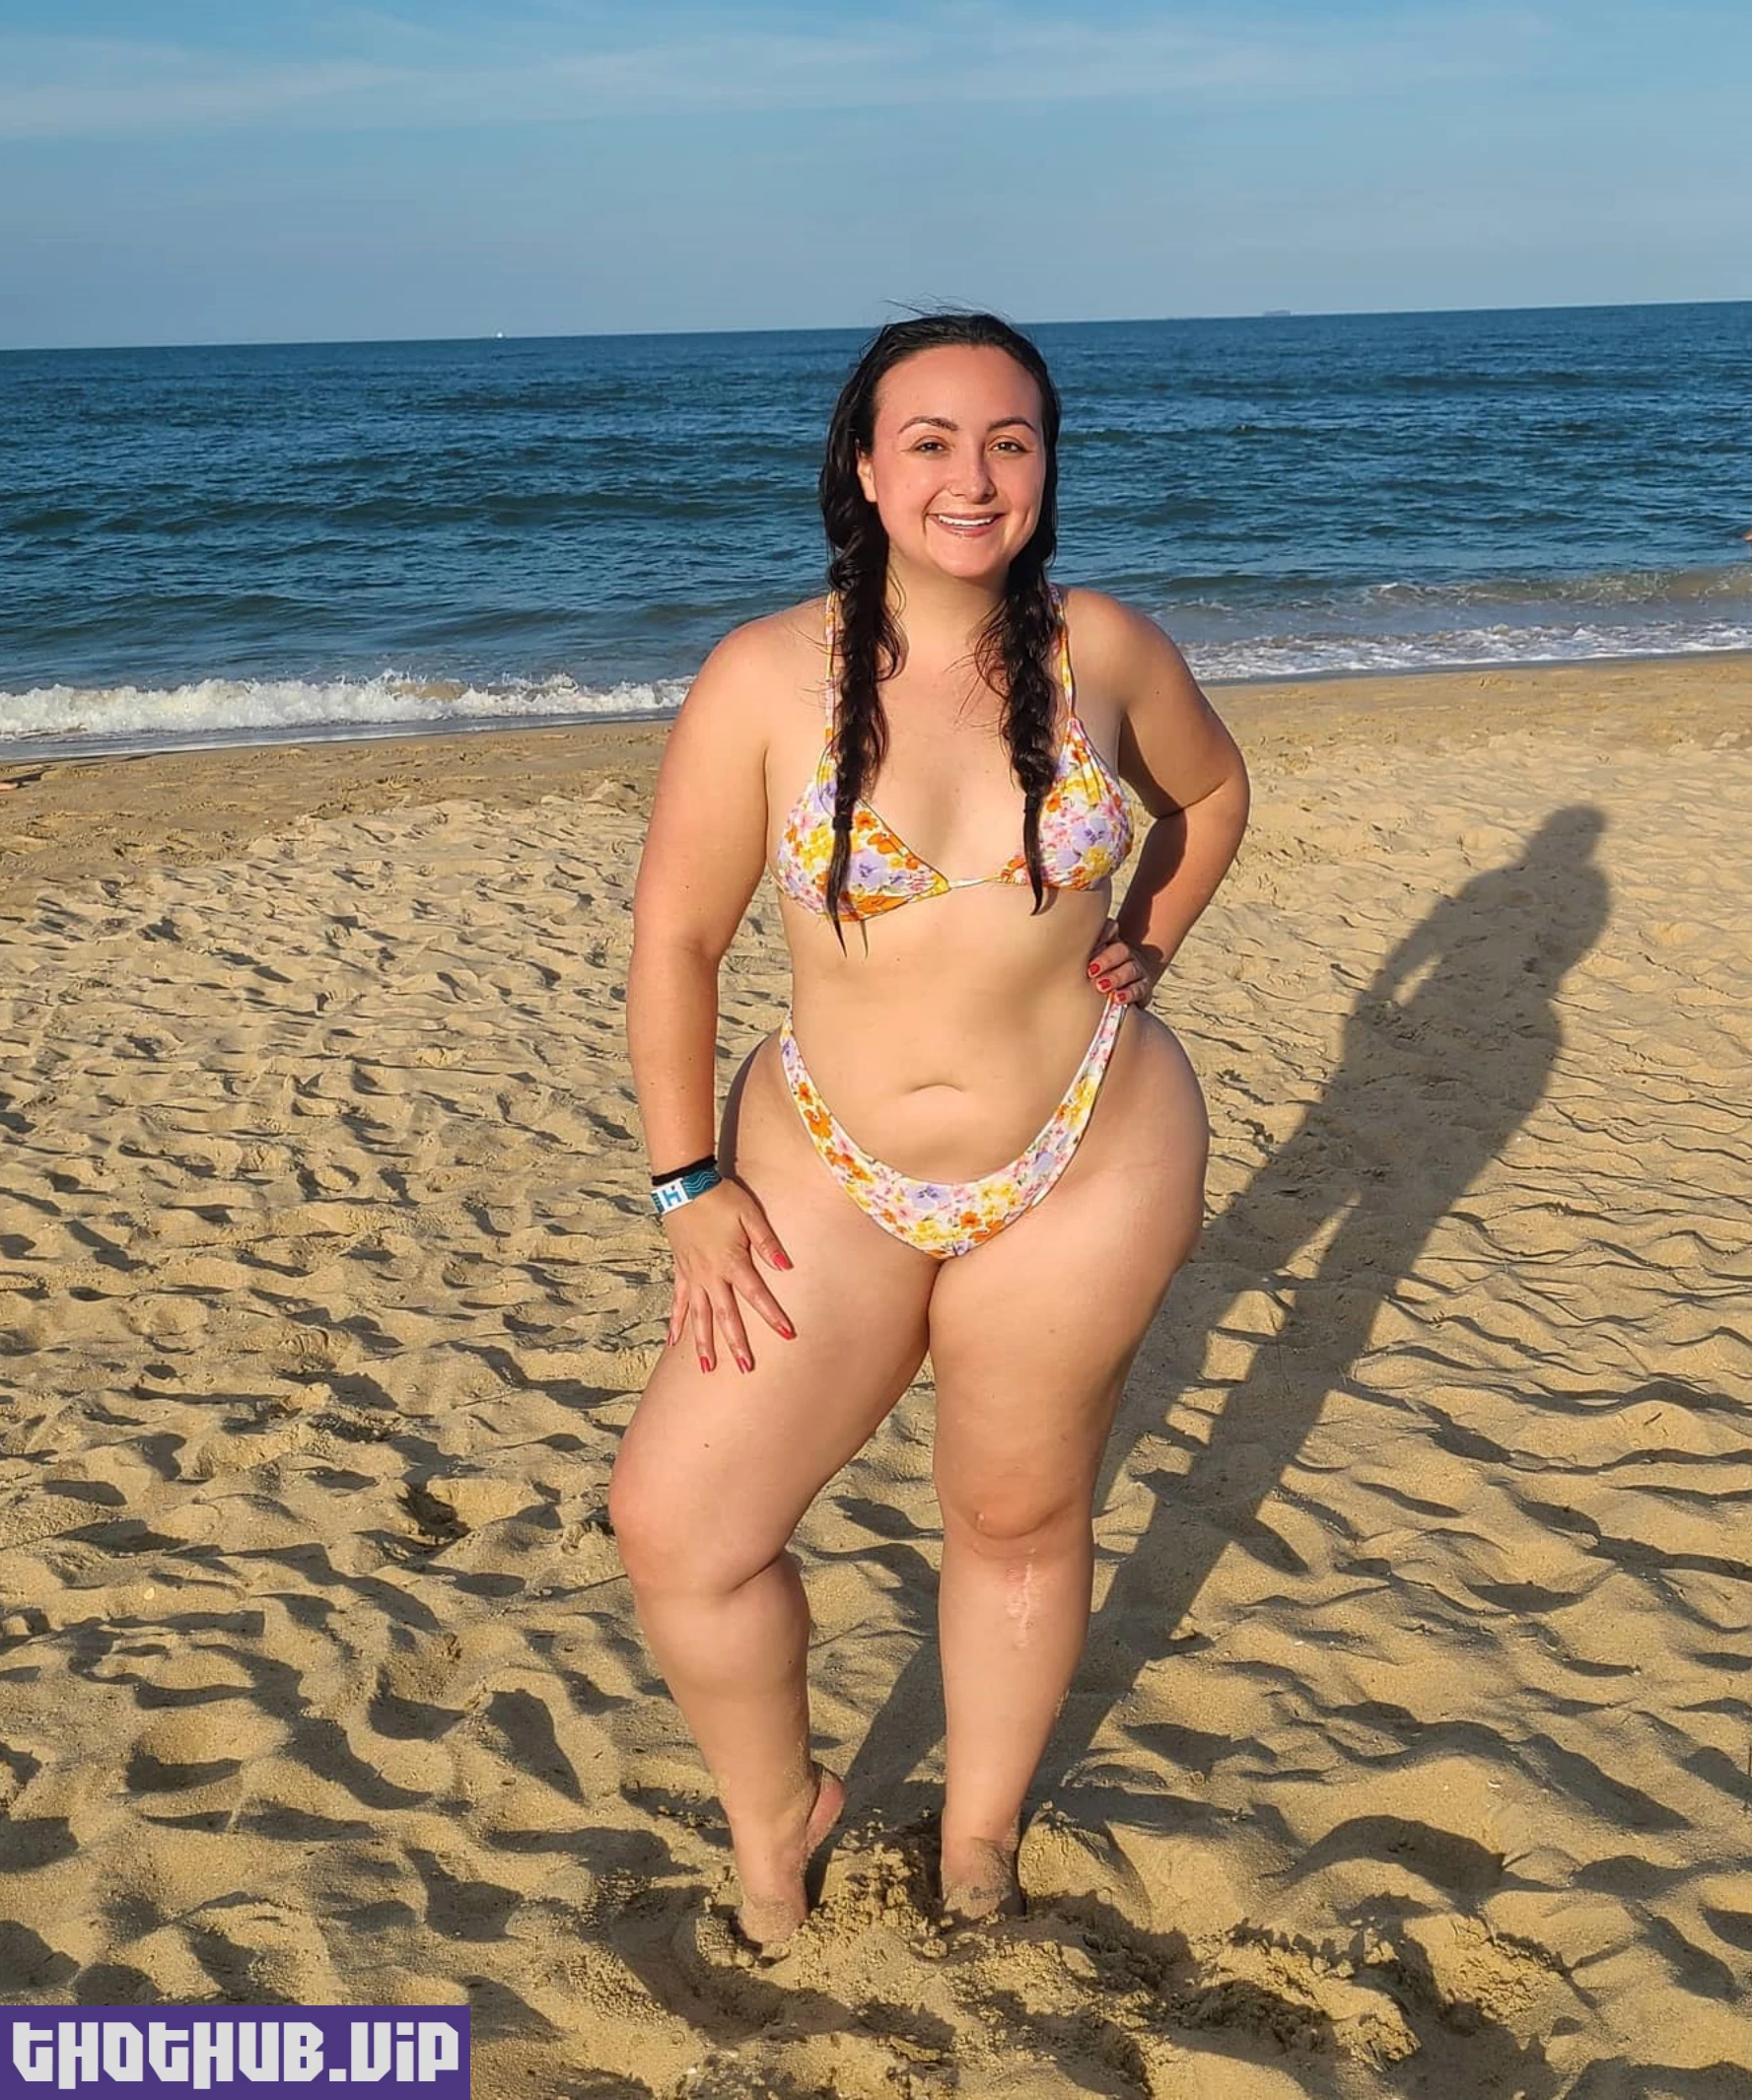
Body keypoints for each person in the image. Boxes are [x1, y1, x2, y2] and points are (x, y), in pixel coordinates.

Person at [609, 312, 1250, 1946]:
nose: (975, 477)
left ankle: (978, 1841)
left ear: (1047, 466)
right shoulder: (765, 678)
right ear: (864, 466)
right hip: (825, 1161)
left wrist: (1152, 934)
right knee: (681, 1532)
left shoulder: (1104, 651)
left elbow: (1212, 793)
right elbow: (677, 940)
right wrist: (687, 1180)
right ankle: (779, 1817)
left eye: (1010, 441)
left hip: (1089, 1151)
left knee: (1015, 1514)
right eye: (933, 440)